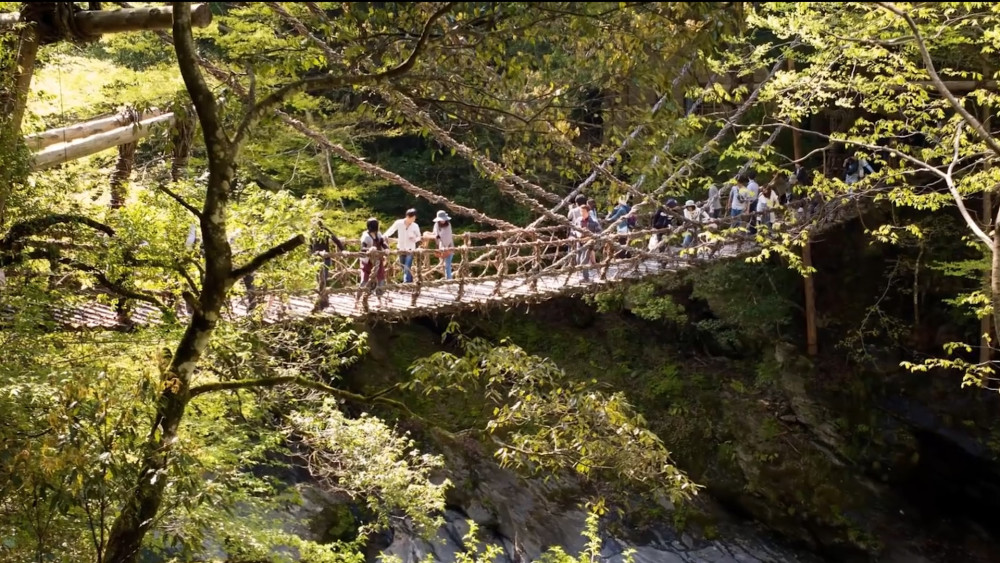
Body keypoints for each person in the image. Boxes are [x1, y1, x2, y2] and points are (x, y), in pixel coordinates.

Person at [382, 208, 422, 282]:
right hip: (400, 248)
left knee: (407, 267)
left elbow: (419, 236)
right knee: (403, 266)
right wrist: (384, 236)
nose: (413, 219)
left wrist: (415, 239)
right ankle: (410, 282)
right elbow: (391, 230)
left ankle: (405, 284)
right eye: (412, 218)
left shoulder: (415, 226)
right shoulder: (399, 223)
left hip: (410, 249)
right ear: (407, 216)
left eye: (414, 218)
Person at [572, 203, 600, 282]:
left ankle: (586, 277)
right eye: (581, 212)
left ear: (588, 212)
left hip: (588, 243)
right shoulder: (578, 220)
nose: (582, 213)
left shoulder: (594, 222)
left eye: (584, 212)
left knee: (583, 260)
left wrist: (589, 238)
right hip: (579, 242)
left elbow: (599, 233)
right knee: (578, 259)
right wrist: (575, 236)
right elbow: (573, 230)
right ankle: (582, 276)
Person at [359, 218, 388, 293]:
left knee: (381, 278)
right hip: (367, 261)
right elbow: (362, 248)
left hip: (378, 259)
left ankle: (379, 297)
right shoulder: (366, 236)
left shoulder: (378, 234)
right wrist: (370, 249)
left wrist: (386, 248)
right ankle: (359, 298)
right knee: (365, 279)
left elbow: (382, 242)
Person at [432, 210, 455, 280]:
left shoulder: (448, 225)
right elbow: (435, 234)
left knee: (447, 265)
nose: (443, 221)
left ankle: (449, 280)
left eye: (444, 219)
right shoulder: (436, 225)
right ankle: (447, 279)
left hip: (449, 247)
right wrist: (436, 239)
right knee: (444, 265)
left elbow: (447, 236)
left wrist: (439, 236)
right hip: (441, 247)